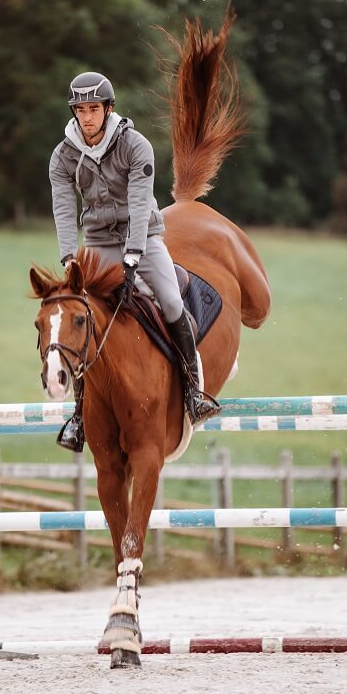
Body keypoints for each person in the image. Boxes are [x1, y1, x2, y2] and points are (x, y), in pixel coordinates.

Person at [49, 71, 221, 451]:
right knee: (83, 319)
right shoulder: (63, 156)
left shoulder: (135, 145)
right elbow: (63, 207)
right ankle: (80, 414)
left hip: (142, 236)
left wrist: (132, 255)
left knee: (172, 301)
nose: (87, 117)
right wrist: (67, 257)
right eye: (81, 110)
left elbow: (141, 203)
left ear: (109, 109)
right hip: (96, 242)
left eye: (94, 109)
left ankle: (193, 392)